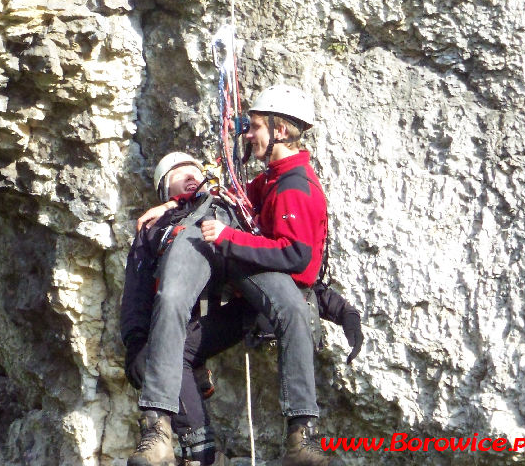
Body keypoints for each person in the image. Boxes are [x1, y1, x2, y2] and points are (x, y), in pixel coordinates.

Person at [123, 135, 361, 465]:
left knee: (291, 305)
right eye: (178, 173)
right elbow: (137, 294)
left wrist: (336, 306)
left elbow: (281, 256)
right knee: (167, 320)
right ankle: (176, 440)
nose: (189, 174)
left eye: (193, 169)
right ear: (167, 191)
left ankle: (301, 434)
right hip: (189, 277)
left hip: (236, 269)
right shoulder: (156, 227)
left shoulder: (235, 203)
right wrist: (136, 344)